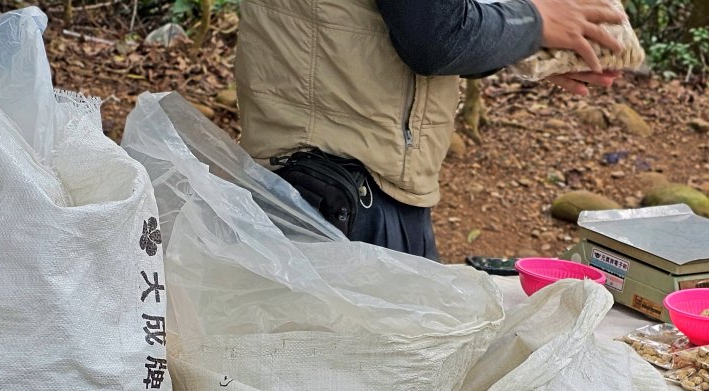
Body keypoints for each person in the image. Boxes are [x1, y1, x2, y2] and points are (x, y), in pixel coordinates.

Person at [235, 0, 629, 259]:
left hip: (357, 175)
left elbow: (424, 26)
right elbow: (436, 36)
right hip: (340, 182)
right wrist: (535, 23)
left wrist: (530, 43)